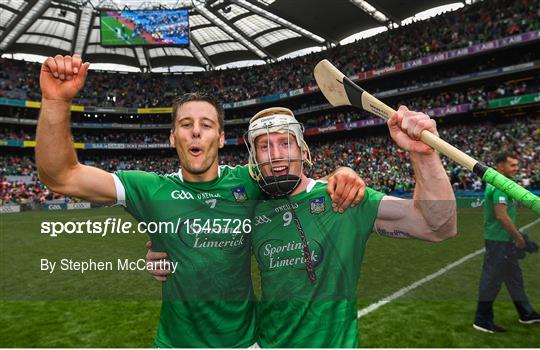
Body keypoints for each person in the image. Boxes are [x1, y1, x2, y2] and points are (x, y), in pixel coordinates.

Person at [36, 54, 364, 347]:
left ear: (220, 137)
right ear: (172, 137)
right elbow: (61, 176)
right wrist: (54, 101)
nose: (195, 132)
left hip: (244, 342)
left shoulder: (249, 182)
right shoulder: (148, 189)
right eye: (185, 124)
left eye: (206, 125)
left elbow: (292, 175)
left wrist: (342, 172)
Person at [148, 106, 458, 347]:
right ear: (253, 158)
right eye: (265, 146)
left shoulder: (343, 197)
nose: (277, 155)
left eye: (285, 143)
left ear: (302, 149)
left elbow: (436, 226)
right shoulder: (250, 210)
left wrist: (424, 155)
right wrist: (161, 253)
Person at [473, 152, 540, 333]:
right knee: (491, 280)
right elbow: (502, 217)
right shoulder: (500, 186)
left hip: (503, 240)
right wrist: (519, 238)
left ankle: (526, 313)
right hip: (498, 241)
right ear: (500, 166)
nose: (516, 169)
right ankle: (482, 319)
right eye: (512, 165)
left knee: (514, 278)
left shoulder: (504, 184)